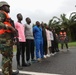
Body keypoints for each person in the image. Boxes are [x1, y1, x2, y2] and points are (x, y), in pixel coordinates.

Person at [0, 1, 19, 75]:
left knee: (9, 56)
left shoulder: (6, 15)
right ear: (1, 7)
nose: (8, 8)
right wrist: (9, 27)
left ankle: (9, 71)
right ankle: (6, 73)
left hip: (8, 39)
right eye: (6, 6)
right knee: (6, 57)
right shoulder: (1, 13)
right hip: (4, 39)